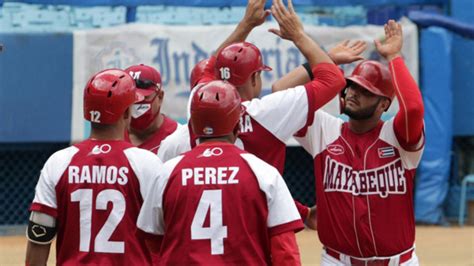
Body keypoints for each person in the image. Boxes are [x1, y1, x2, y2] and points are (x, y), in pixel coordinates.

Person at [158, 0, 356, 222]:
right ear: (254, 78)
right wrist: (299, 35)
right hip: (254, 225)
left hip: (203, 220)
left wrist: (246, 24)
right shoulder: (268, 112)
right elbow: (333, 78)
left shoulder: (199, 99)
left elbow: (210, 67)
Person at [292, 20, 424, 265]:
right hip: (338, 260)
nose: (353, 92)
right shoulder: (323, 130)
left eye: (365, 91)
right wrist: (326, 60)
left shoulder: (398, 138)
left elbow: (414, 107)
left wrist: (394, 56)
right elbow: (282, 93)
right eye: (352, 86)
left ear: (384, 104)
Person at [137, 80, 304, 265]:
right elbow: (284, 250)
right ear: (237, 127)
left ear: (193, 126)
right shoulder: (263, 172)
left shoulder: (168, 172)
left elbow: (152, 240)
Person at [25, 69, 163, 265]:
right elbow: (163, 237)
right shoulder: (146, 163)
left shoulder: (59, 162)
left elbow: (39, 237)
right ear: (126, 112)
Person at [124, 64, 180, 154]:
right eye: (131, 97)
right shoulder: (111, 137)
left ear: (160, 97)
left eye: (144, 97)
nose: (136, 103)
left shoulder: (178, 137)